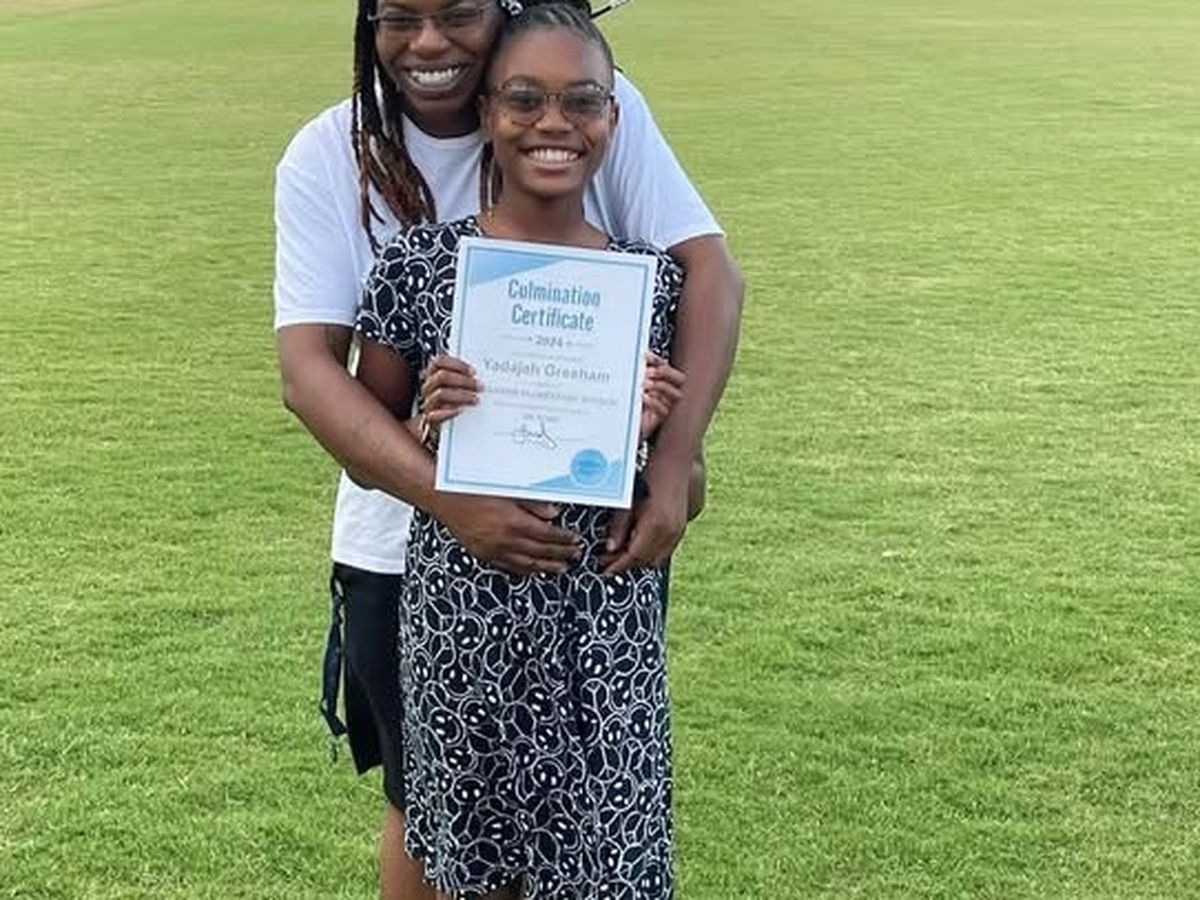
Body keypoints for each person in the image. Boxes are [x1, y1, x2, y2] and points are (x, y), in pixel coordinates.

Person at [273, 0, 742, 896]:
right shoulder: (338, 163)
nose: (429, 42)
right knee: (432, 817)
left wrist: (668, 452)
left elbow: (713, 276)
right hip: (412, 563)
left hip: (588, 581)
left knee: (596, 833)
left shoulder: (591, 103)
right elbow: (313, 376)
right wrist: (443, 482)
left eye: (458, 12)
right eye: (399, 17)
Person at [353, 6, 684, 895]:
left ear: (613, 116)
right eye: (525, 99)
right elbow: (366, 452)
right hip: (465, 629)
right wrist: (431, 425)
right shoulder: (419, 267)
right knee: (476, 871)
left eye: (583, 101)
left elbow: (684, 491)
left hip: (600, 633)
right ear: (488, 113)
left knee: (605, 868)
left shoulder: (651, 282)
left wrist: (647, 434)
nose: (553, 124)